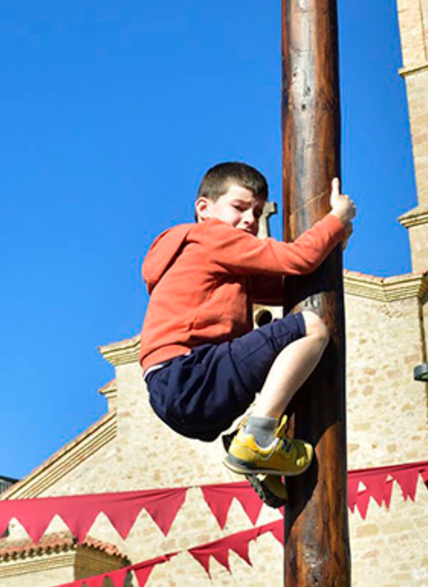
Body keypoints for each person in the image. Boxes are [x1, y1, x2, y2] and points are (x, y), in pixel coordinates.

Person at [140, 161, 354, 492]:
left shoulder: (204, 257)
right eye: (239, 207)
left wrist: (332, 243)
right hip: (191, 373)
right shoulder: (212, 237)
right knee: (311, 328)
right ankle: (258, 436)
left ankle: (255, 449)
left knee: (279, 350)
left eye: (256, 212)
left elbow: (292, 284)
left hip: (175, 390)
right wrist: (336, 219)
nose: (250, 220)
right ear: (204, 208)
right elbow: (298, 259)